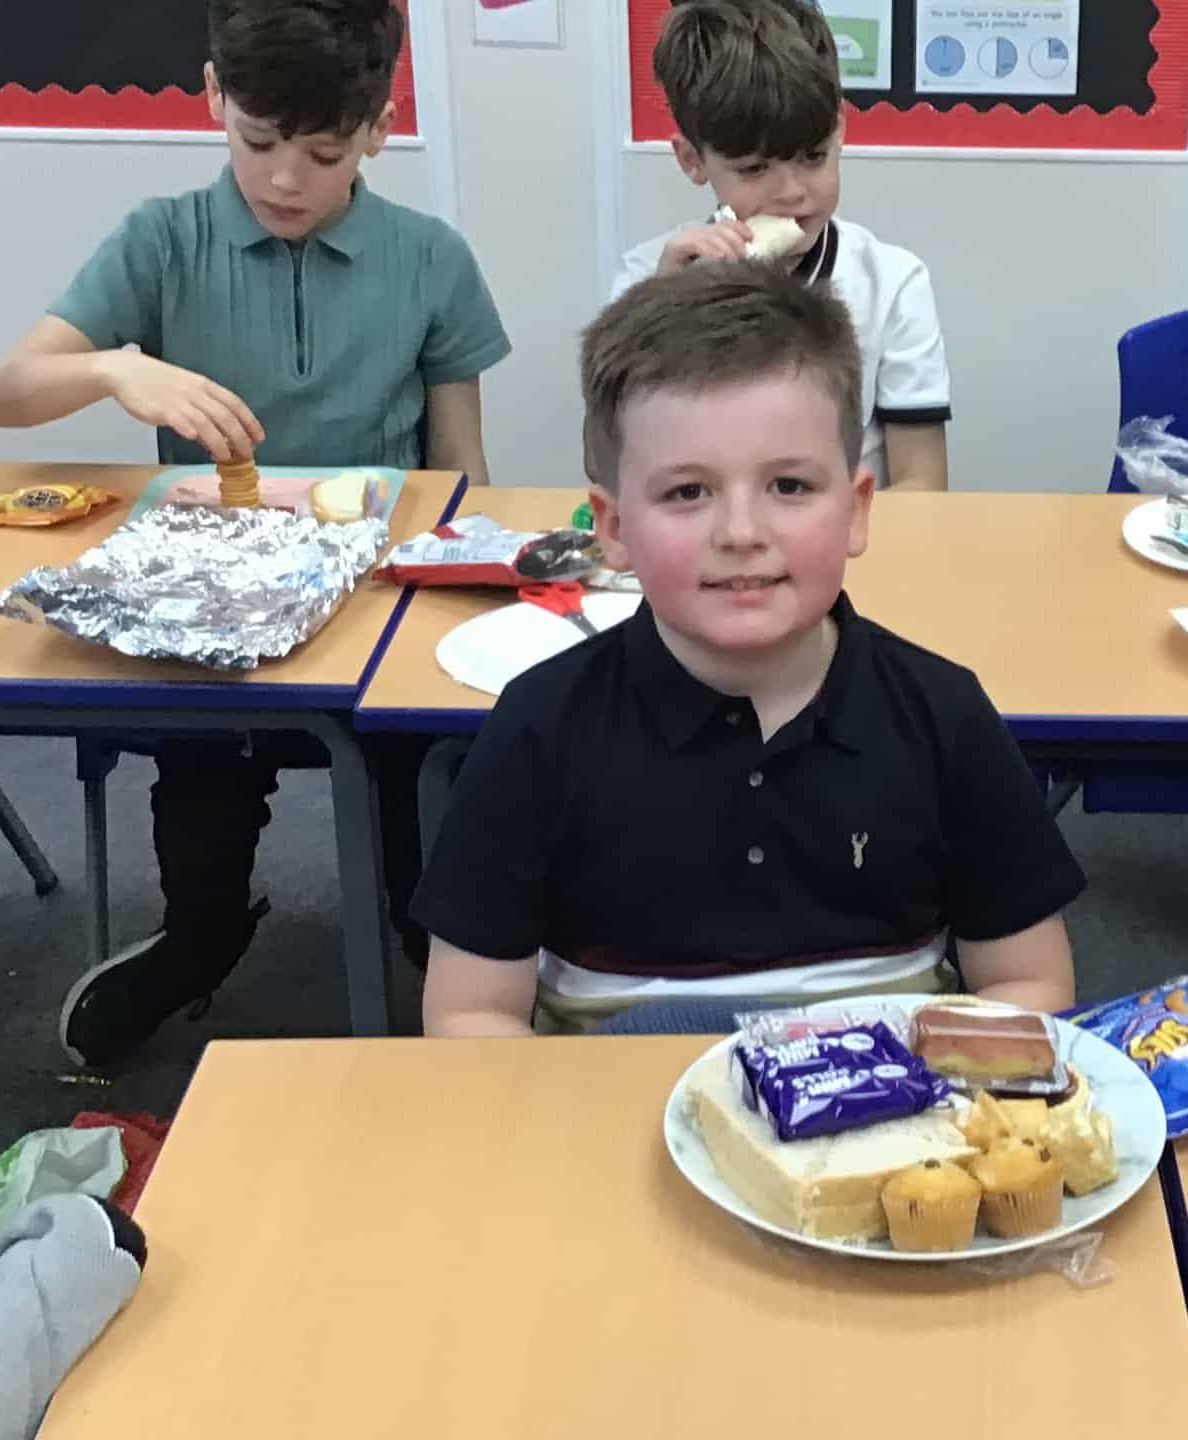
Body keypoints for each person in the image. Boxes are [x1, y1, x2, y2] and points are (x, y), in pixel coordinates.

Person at [0, 0, 512, 1065]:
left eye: (323, 154)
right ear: (215, 97)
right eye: (259, 142)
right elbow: (5, 391)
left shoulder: (429, 260)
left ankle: (434, 950)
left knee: (424, 872)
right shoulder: (163, 241)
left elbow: (462, 479)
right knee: (206, 817)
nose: (285, 181)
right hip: (208, 638)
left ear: (378, 126)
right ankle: (203, 936)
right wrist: (115, 369)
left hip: (374, 627)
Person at [415, 264, 1082, 1036]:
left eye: (789, 487)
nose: (740, 532)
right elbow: (469, 1015)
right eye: (687, 493)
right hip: (609, 1105)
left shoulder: (943, 715)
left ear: (857, 510)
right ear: (614, 529)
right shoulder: (540, 727)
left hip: (891, 1104)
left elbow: (1030, 980)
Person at [609, 0, 952, 492]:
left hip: (855, 537)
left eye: (813, 157)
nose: (792, 192)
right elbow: (606, 469)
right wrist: (662, 315)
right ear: (691, 160)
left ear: (839, 130)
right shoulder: (648, 279)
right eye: (754, 169)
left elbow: (923, 483)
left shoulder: (892, 284)